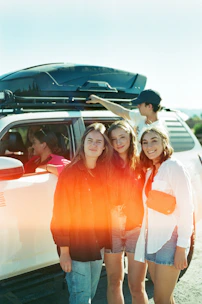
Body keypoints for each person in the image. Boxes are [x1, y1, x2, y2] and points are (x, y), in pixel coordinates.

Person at [50, 123, 113, 304]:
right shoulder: (69, 174)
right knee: (81, 298)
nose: (93, 145)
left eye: (98, 142)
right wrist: (64, 253)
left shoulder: (103, 173)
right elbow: (61, 214)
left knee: (89, 294)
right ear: (83, 143)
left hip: (97, 245)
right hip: (76, 248)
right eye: (90, 140)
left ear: (103, 148)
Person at [135, 127, 194, 304]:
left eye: (154, 140)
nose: (149, 146)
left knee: (160, 299)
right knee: (165, 298)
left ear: (164, 142)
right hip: (152, 239)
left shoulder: (174, 167)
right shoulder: (149, 171)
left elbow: (187, 208)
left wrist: (182, 248)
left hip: (170, 239)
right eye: (145, 142)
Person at [105, 120, 148, 304]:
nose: (118, 143)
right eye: (113, 139)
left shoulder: (142, 163)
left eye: (122, 137)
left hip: (136, 230)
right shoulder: (104, 164)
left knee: (136, 286)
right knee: (114, 282)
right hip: (111, 230)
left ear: (131, 137)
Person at [86, 89, 166, 142]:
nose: (137, 106)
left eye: (140, 104)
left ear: (149, 106)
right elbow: (121, 111)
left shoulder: (159, 129)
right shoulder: (140, 117)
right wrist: (99, 100)